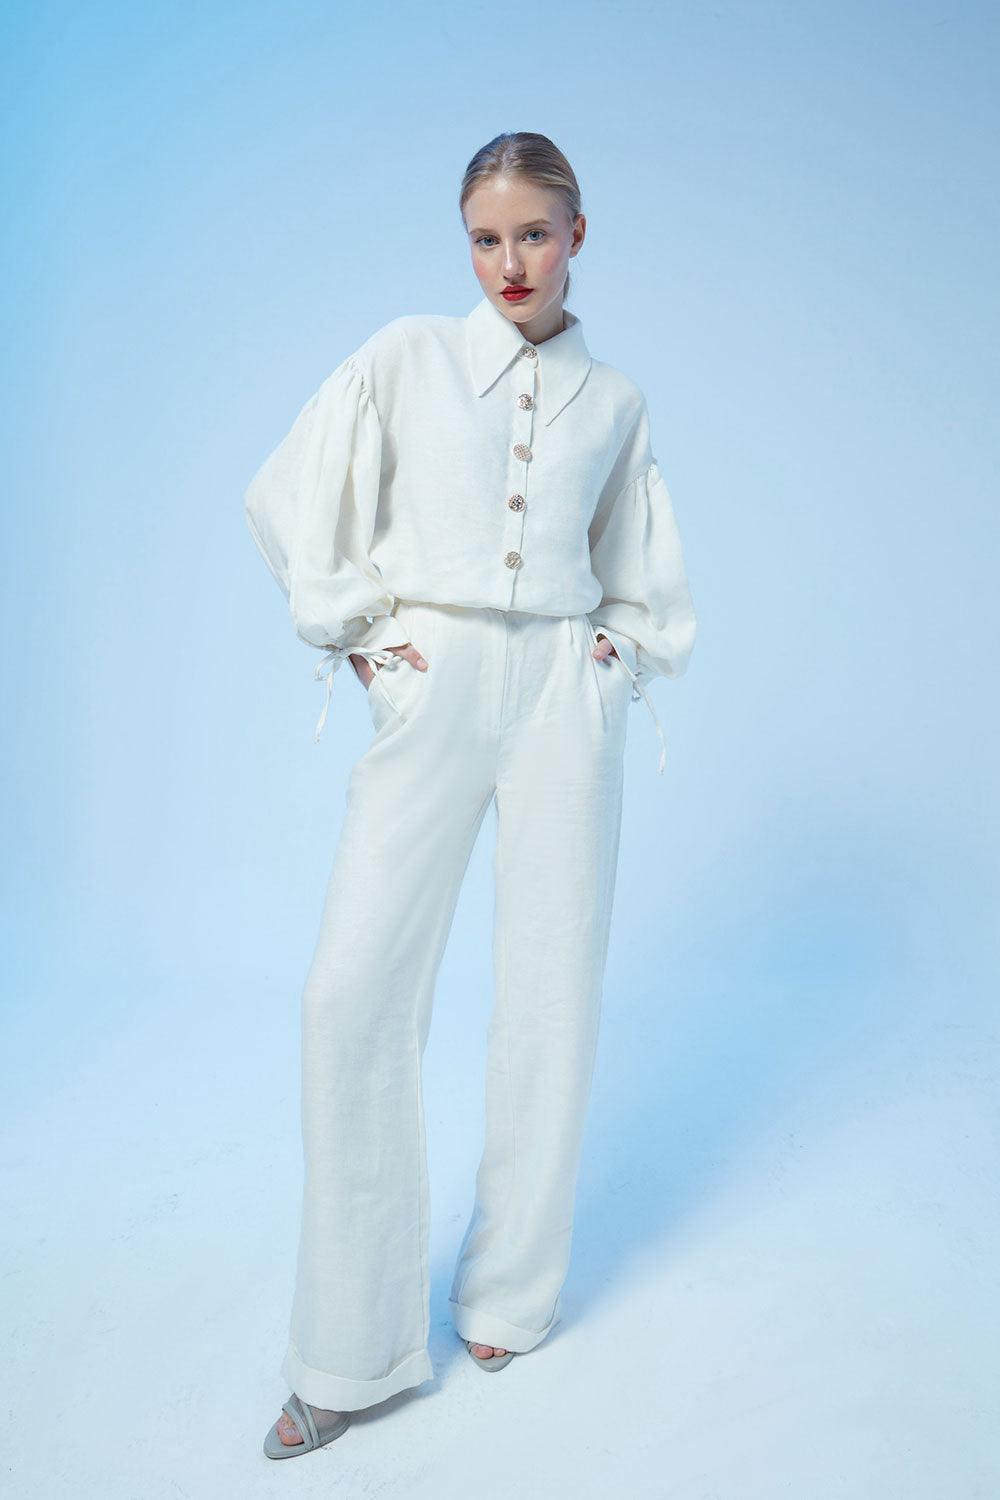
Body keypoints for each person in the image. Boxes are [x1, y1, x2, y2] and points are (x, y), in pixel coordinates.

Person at [244, 131, 697, 1460]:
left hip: (562, 692)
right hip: (433, 676)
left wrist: (612, 659)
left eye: (534, 233)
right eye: (487, 238)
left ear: (577, 235)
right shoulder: (405, 357)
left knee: (551, 989)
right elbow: (287, 495)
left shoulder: (614, 402)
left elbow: (637, 562)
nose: (511, 262)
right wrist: (367, 639)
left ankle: (512, 1293)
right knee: (350, 997)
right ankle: (351, 1350)